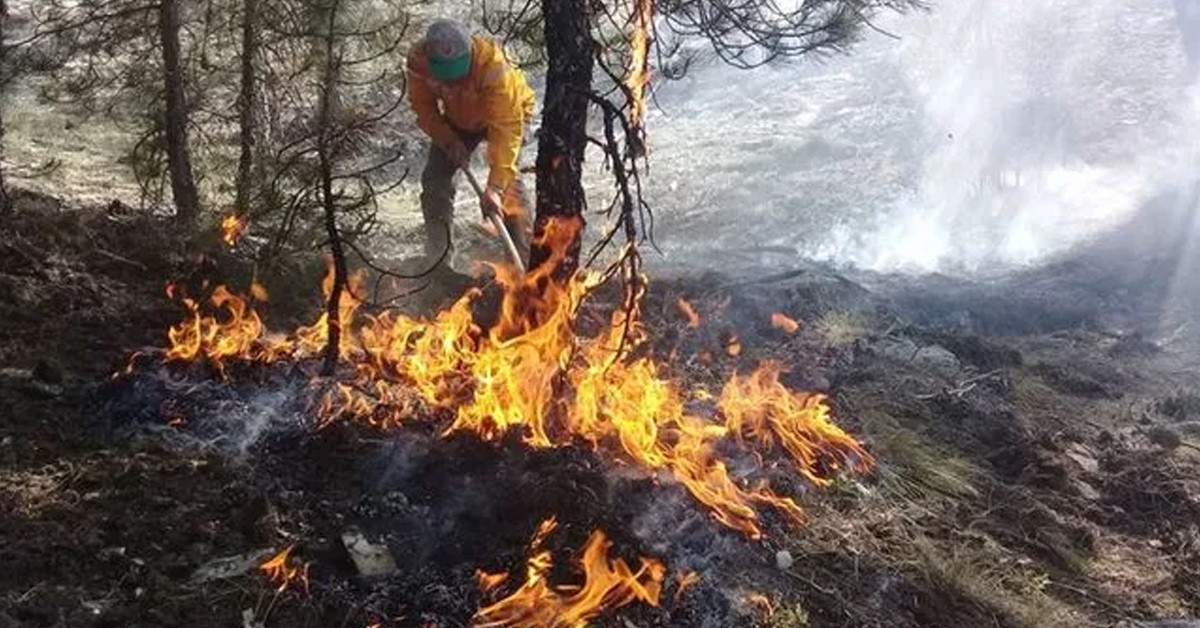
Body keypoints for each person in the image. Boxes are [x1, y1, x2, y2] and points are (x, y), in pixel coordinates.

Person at [406, 19, 536, 280]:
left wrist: (495, 188)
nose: (453, 84)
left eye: (459, 76)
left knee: (508, 184)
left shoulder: (495, 68)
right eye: (446, 78)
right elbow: (424, 108)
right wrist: (448, 139)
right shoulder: (419, 61)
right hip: (457, 119)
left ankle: (523, 266)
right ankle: (438, 260)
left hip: (505, 117)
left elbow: (506, 130)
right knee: (435, 179)